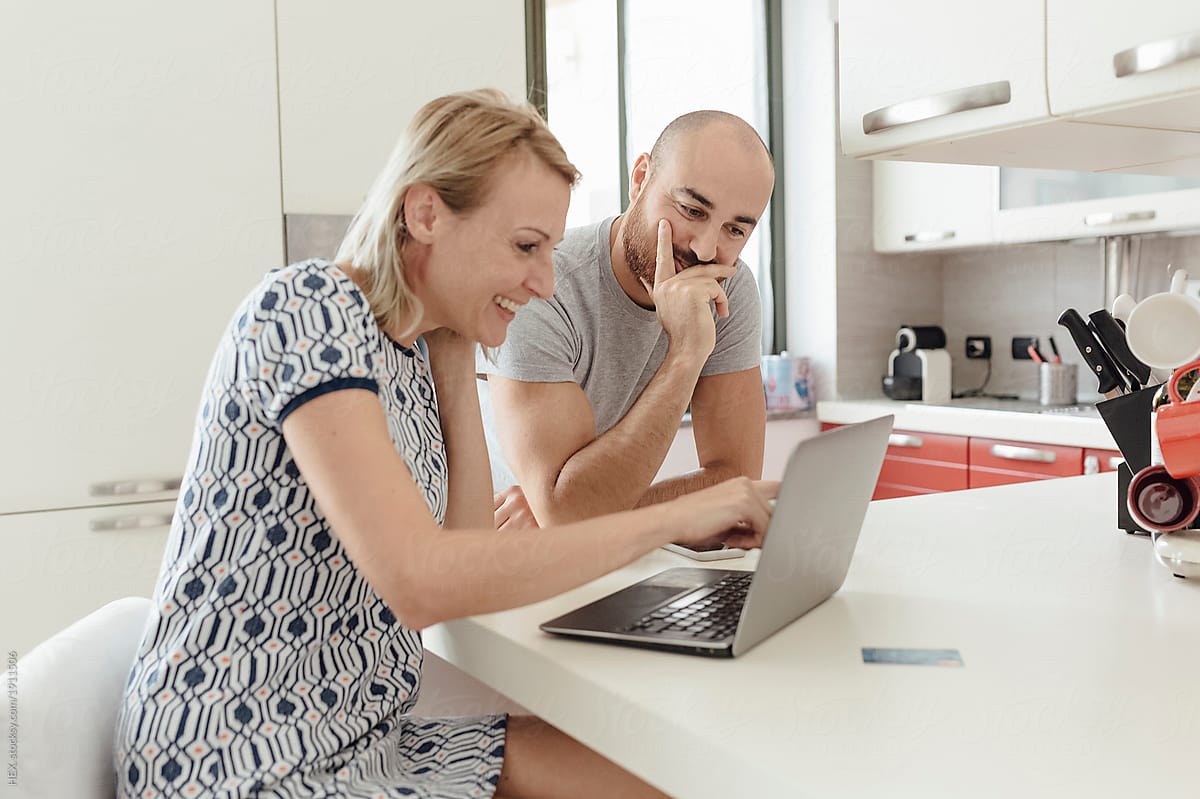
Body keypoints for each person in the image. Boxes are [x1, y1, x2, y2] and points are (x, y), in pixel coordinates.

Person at [113, 90, 775, 799]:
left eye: (549, 250)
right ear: (426, 214)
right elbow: (422, 583)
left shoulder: (427, 350)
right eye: (525, 247)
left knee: (674, 776)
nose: (546, 281)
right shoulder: (307, 307)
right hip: (242, 755)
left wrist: (458, 351)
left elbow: (470, 564)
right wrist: (676, 517)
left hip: (374, 737)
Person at [480, 110, 776, 530]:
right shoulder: (543, 286)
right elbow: (567, 516)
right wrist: (686, 354)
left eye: (735, 231)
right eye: (692, 210)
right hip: (498, 554)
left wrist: (597, 516)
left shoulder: (728, 289)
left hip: (601, 550)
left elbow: (735, 481)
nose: (707, 249)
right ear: (640, 179)